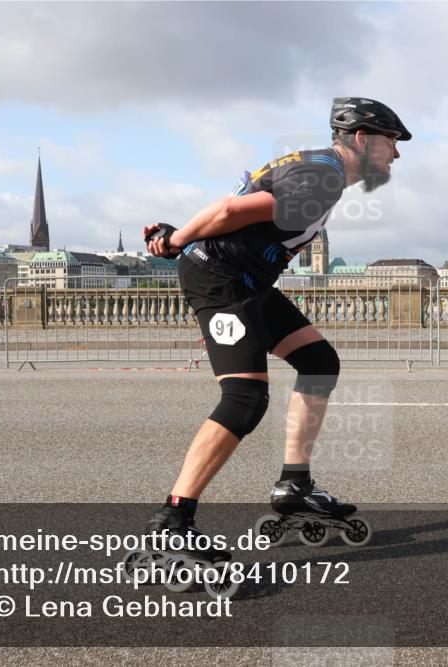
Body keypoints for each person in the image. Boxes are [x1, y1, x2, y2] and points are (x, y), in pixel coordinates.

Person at [141, 97, 411, 552]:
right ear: (362, 139)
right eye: (392, 143)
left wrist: (179, 235)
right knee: (245, 397)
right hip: (222, 277)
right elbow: (229, 211)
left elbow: (241, 208)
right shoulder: (322, 177)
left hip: (248, 280)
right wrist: (177, 239)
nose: (396, 155)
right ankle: (174, 518)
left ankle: (294, 485)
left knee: (318, 361)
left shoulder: (320, 169)